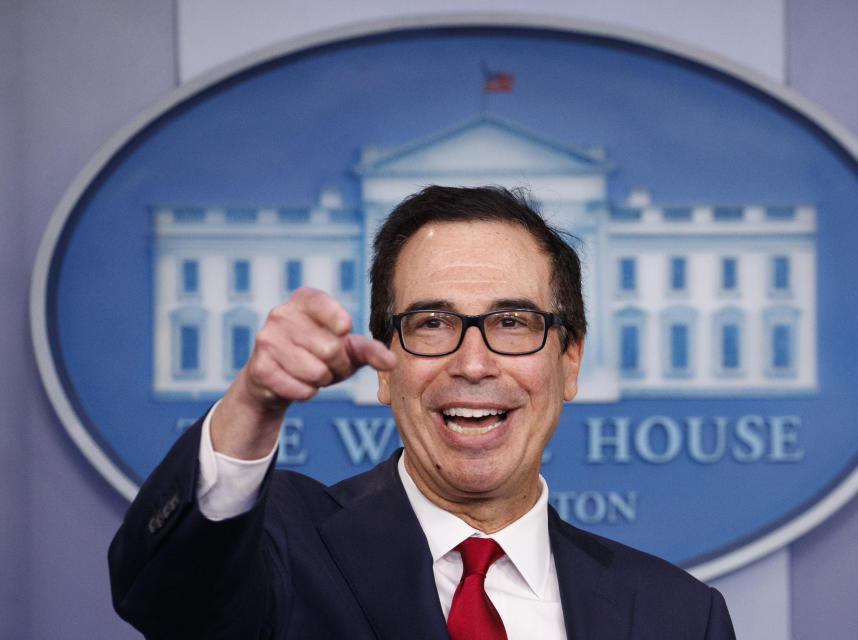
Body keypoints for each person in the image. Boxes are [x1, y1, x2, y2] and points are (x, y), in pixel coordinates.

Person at [109, 185, 736, 639]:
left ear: (568, 360)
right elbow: (169, 600)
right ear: (384, 365)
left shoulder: (679, 616)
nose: (472, 363)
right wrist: (253, 401)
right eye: (432, 323)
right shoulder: (281, 547)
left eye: (512, 322)